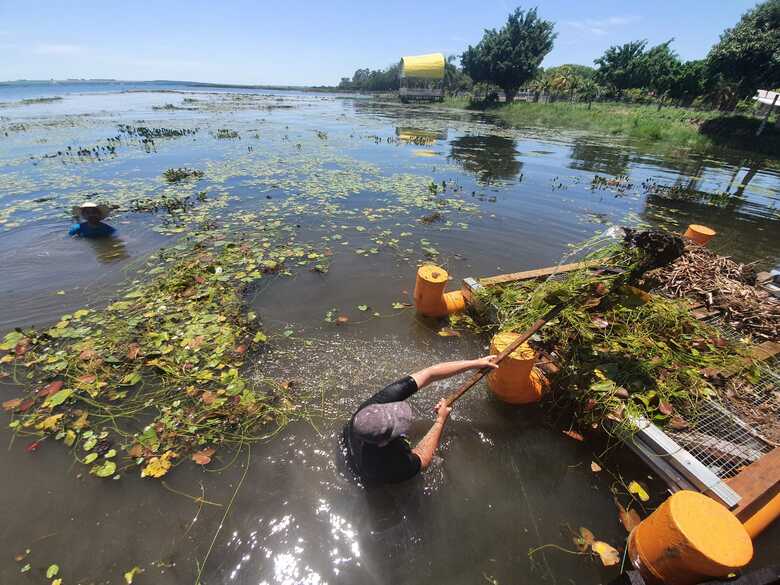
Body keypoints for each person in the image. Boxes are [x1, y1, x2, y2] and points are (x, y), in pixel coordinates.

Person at [344, 355, 498, 484]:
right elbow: (423, 458)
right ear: (383, 443)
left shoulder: (368, 410)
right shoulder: (385, 467)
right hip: (373, 478)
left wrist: (475, 363)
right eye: (399, 426)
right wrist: (440, 420)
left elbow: (429, 373)